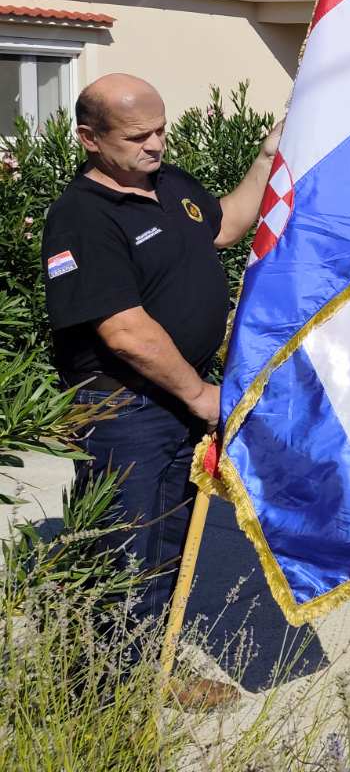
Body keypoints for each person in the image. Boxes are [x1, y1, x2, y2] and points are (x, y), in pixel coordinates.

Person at [41, 74, 282, 709]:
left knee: (169, 542)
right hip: (126, 411)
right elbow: (123, 330)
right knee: (122, 551)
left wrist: (266, 159)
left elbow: (223, 226)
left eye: (161, 129)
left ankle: (151, 668)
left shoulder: (167, 182)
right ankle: (103, 699)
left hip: (177, 403)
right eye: (137, 136)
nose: (155, 144)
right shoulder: (80, 217)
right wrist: (201, 395)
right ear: (90, 139)